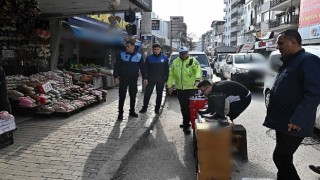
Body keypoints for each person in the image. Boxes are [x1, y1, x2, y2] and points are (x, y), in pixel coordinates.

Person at [263, 29, 320, 179]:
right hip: (283, 121)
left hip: (294, 122)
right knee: (284, 158)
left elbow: (314, 93)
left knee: (281, 156)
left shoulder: (308, 60)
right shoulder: (289, 61)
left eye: (281, 43)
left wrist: (298, 119)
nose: (278, 46)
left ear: (293, 42)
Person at [167, 46, 202, 134]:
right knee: (184, 108)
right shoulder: (175, 62)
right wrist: (169, 86)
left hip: (191, 89)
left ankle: (192, 123)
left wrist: (197, 80)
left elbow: (198, 70)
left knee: (192, 108)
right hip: (180, 89)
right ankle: (186, 124)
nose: (183, 55)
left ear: (188, 52)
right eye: (181, 53)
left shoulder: (193, 61)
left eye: (185, 53)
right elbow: (171, 75)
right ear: (179, 54)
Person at [113, 41, 148, 120]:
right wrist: (116, 77)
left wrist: (145, 78)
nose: (126, 48)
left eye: (128, 46)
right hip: (123, 79)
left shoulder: (138, 56)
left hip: (133, 79)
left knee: (133, 96)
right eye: (126, 46)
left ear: (133, 47)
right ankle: (120, 113)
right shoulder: (121, 55)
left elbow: (143, 68)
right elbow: (116, 66)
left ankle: (132, 111)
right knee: (122, 96)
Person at [139, 43, 169, 114]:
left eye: (157, 49)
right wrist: (145, 78)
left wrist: (167, 79)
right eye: (155, 49)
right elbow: (145, 69)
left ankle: (157, 109)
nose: (156, 51)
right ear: (152, 50)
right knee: (147, 94)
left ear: (160, 49)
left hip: (161, 79)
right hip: (150, 79)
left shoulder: (164, 58)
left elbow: (167, 70)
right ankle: (144, 107)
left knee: (159, 94)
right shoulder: (149, 58)